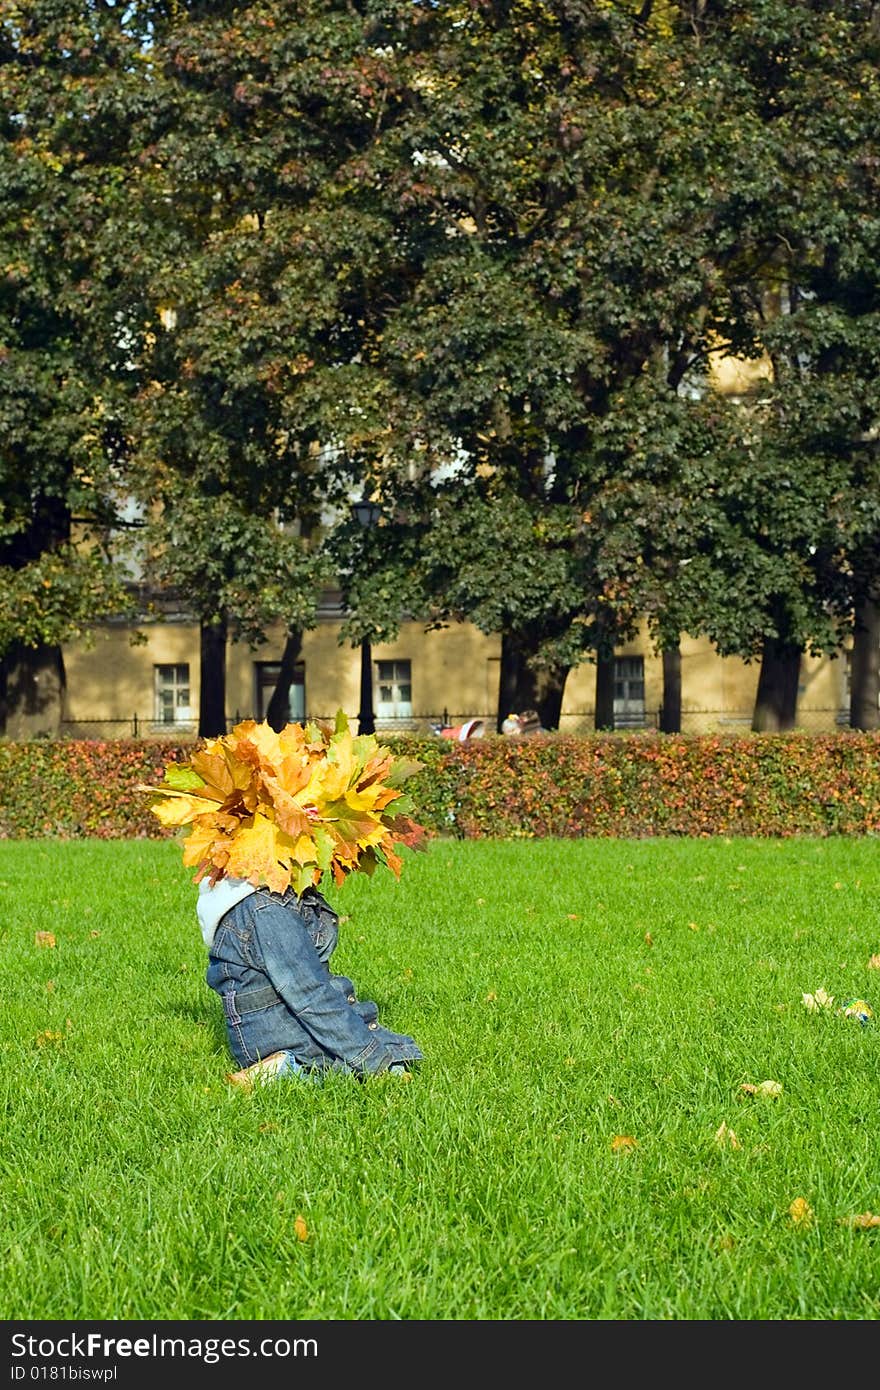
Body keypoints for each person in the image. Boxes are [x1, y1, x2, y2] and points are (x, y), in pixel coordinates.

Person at [199, 874, 424, 1089]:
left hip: (281, 1017)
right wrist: (374, 1062)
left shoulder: (282, 894)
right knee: (370, 1068)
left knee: (394, 1051)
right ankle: (280, 1071)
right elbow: (309, 995)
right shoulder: (266, 910)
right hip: (274, 1029)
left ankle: (292, 1067)